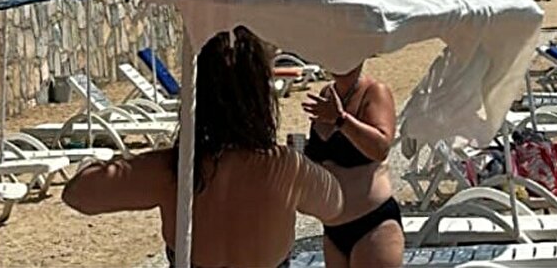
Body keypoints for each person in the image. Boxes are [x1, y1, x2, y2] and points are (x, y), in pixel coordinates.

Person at [64, 26, 346, 268]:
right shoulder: (284, 168)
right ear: (261, 98)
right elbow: (335, 205)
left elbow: (78, 194)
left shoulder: (176, 170)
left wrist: (98, 163)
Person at [303, 60, 403, 268]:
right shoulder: (327, 95)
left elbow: (381, 148)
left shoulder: (375, 92)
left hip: (372, 223)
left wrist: (341, 120)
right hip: (333, 229)